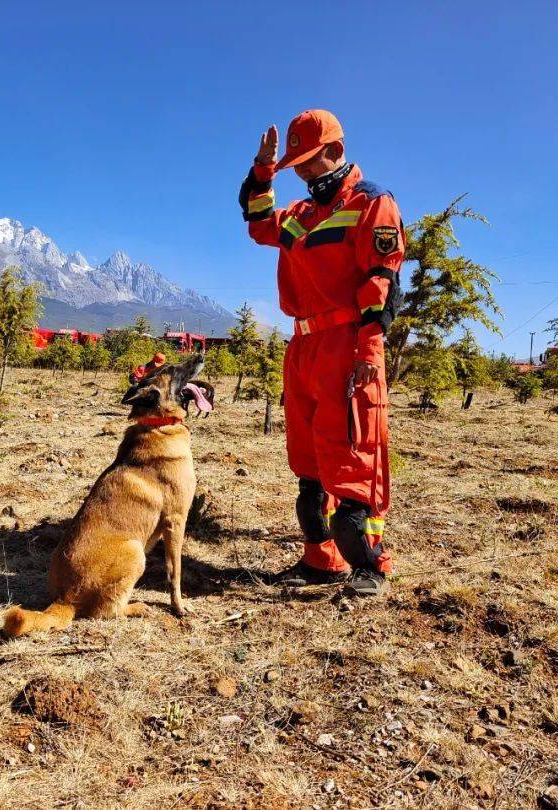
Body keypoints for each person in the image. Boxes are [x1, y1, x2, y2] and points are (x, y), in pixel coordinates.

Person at [238, 110, 404, 597]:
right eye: (297, 166)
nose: (304, 172)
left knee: (353, 459)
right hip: (304, 346)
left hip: (348, 344)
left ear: (336, 149)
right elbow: (259, 224)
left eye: (310, 161)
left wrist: (368, 350)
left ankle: (371, 567)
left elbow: (380, 282)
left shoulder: (372, 203)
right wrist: (263, 172)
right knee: (308, 465)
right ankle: (320, 561)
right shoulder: (300, 215)